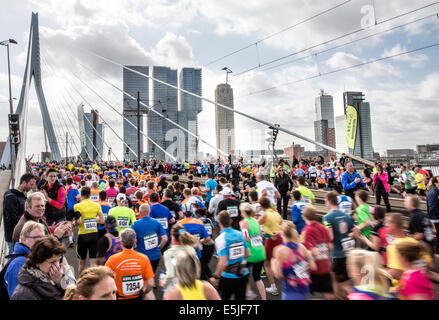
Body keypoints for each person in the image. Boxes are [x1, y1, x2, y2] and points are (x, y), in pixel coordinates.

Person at [323, 191, 358, 299]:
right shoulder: (346, 216)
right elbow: (356, 233)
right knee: (344, 282)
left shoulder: (327, 217)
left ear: (329, 201)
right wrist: (347, 236)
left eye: (325, 201)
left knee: (335, 281)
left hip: (337, 254)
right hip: (347, 253)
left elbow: (330, 237)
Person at [11, 236, 68, 300]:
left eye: (58, 260)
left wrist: (60, 283)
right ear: (38, 262)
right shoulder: (22, 295)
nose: (57, 266)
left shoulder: (56, 279)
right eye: (52, 262)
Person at [209, 210, 250, 300]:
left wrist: (215, 276)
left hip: (228, 277)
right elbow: (248, 254)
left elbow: (223, 262)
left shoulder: (220, 239)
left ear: (219, 223)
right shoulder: (240, 234)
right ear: (231, 221)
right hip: (243, 274)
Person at [105, 229, 155, 300]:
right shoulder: (144, 258)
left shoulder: (112, 260)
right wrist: (144, 293)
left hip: (119, 297)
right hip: (137, 297)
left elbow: (104, 279)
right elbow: (150, 284)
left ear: (121, 243)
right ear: (135, 242)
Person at [271, 221, 316, 300]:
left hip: (291, 291)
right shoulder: (301, 247)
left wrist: (273, 263)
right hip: (304, 289)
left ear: (282, 234)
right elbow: (313, 267)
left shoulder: (279, 250)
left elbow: (278, 275)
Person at [385, 212, 433, 286]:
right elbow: (430, 265)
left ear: (393, 225)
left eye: (387, 223)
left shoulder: (393, 246)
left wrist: (379, 272)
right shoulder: (415, 242)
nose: (386, 226)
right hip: (420, 287)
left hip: (402, 290)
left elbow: (396, 273)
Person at [3, 221, 46, 299]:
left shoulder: (31, 257)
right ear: (23, 239)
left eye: (43, 238)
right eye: (37, 238)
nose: (42, 242)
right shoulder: (19, 264)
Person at [302, 206, 334, 300]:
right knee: (327, 293)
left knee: (303, 293)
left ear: (304, 216)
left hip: (314, 268)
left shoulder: (308, 230)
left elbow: (314, 252)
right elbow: (330, 246)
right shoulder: (322, 227)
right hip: (326, 266)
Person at [73, 187, 105, 276]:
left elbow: (78, 222)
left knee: (82, 263)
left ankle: (79, 283)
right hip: (94, 235)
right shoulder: (96, 205)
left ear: (81, 195)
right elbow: (102, 221)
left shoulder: (77, 206)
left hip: (83, 236)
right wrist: (93, 219)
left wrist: (73, 223)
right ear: (90, 195)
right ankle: (94, 284)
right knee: (93, 264)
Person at [3, 173, 36, 254]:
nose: (31, 187)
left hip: (20, 234)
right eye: (31, 184)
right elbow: (11, 219)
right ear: (24, 182)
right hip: (13, 236)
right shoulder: (11, 197)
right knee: (14, 260)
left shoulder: (21, 196)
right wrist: (29, 215)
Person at [239, 203, 266, 300]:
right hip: (260, 252)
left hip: (250, 254)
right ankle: (264, 298)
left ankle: (249, 292)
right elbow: (261, 235)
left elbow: (245, 238)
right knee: (257, 277)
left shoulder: (243, 223)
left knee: (242, 273)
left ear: (243, 212)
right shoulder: (255, 221)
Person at [130, 204, 167, 273]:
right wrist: (159, 247)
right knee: (152, 274)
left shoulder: (135, 224)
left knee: (143, 276)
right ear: (149, 211)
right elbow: (165, 238)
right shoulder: (156, 222)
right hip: (155, 256)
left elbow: (130, 239)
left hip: (141, 256)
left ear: (140, 212)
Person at [258, 197, 282, 296]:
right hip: (279, 238)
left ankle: (273, 287)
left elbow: (256, 223)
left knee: (266, 263)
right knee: (278, 259)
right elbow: (281, 223)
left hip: (270, 240)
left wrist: (262, 233)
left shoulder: (265, 215)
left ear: (262, 206)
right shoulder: (276, 213)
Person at [161, 224, 198, 290]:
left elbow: (170, 275)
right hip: (190, 283)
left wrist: (163, 284)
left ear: (173, 237)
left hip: (176, 285)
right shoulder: (191, 249)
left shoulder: (168, 253)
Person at [194, 208, 216, 281]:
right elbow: (212, 229)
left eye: (195, 214)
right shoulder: (209, 220)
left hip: (204, 245)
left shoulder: (198, 222)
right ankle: (211, 278)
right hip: (211, 244)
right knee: (204, 265)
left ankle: (207, 280)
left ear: (198, 214)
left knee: (202, 265)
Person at [426, 176, 439, 253]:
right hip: (436, 217)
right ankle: (437, 248)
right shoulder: (433, 193)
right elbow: (432, 208)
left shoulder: (437, 190)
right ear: (436, 183)